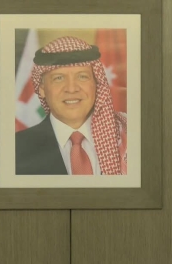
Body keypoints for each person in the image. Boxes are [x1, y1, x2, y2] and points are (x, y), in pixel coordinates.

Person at [15, 35, 127, 176]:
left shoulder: (129, 137)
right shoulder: (15, 149)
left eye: (82, 76)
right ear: (42, 88)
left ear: (97, 83)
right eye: (59, 78)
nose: (72, 88)